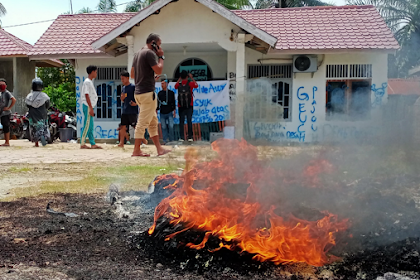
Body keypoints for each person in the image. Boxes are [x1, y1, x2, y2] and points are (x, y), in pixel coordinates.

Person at [130, 33, 170, 157]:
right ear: (153, 43)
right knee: (142, 123)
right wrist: (161, 57)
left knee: (153, 122)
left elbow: (132, 74)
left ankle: (159, 149)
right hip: (147, 93)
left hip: (139, 93)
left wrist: (150, 78)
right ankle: (136, 150)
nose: (159, 47)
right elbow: (159, 69)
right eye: (159, 44)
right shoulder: (149, 53)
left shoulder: (138, 53)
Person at [117, 70, 147, 148]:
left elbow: (139, 97)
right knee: (123, 126)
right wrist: (122, 98)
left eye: (123, 78)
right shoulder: (123, 88)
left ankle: (143, 140)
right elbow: (122, 99)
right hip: (125, 109)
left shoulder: (133, 87)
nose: (122, 80)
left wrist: (136, 104)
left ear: (127, 78)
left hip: (132, 110)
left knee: (135, 126)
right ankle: (121, 143)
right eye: (121, 79)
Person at [80, 65, 102, 149]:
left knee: (90, 126)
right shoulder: (87, 82)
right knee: (87, 124)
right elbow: (86, 95)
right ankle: (82, 143)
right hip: (88, 106)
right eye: (95, 72)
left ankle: (92, 143)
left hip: (90, 106)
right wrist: (90, 108)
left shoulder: (89, 82)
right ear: (92, 72)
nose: (96, 74)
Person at [25, 78, 50, 147]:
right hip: (42, 113)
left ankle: (36, 143)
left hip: (32, 114)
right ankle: (43, 136)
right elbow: (48, 104)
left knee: (33, 127)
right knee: (43, 126)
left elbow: (27, 104)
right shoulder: (44, 95)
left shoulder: (29, 95)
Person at [175, 71, 198, 142]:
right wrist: (192, 78)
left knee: (181, 122)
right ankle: (190, 137)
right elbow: (196, 85)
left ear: (181, 77)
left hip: (180, 106)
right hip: (189, 105)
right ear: (187, 76)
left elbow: (175, 86)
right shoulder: (190, 84)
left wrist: (179, 79)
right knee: (189, 121)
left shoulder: (179, 84)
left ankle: (182, 137)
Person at [157, 80, 176, 144]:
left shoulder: (171, 93)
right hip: (162, 112)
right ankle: (165, 139)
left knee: (171, 126)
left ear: (167, 84)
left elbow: (173, 102)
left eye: (163, 83)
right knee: (163, 127)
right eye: (161, 83)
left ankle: (171, 139)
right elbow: (158, 103)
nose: (162, 85)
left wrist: (174, 111)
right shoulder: (159, 93)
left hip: (169, 111)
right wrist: (156, 110)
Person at [0, 78, 16, 147]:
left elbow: (14, 100)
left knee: (5, 126)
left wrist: (9, 108)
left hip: (5, 113)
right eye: (0, 84)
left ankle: (7, 142)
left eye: (3, 84)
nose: (2, 86)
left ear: (6, 85)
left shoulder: (7, 92)